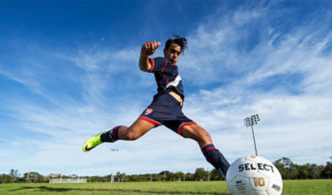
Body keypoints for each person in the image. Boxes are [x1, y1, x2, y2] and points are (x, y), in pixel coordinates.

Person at [83, 35, 230, 177]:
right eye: (172, 51)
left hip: (176, 111)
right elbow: (145, 66)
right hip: (163, 104)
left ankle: (230, 175)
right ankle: (102, 137)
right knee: (131, 134)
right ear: (165, 51)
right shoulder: (163, 62)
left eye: (178, 53)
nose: (174, 55)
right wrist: (143, 55)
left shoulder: (174, 69)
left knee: (203, 136)